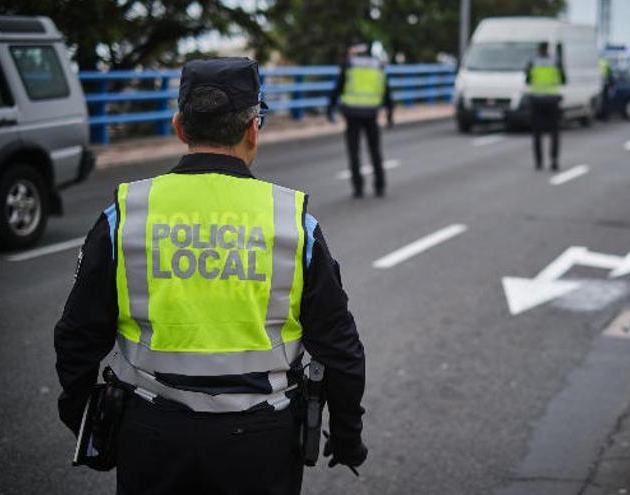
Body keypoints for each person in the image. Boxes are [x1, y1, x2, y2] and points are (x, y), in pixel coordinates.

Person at [54, 57, 367, 495]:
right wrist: (348, 437)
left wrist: (87, 422)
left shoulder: (126, 215)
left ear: (180, 127)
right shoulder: (292, 223)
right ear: (253, 127)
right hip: (261, 442)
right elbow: (341, 349)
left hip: (150, 434)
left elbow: (76, 338)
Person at [329, 42, 394, 198]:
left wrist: (330, 108)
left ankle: (358, 188)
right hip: (371, 113)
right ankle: (380, 185)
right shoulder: (378, 65)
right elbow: (386, 91)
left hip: (352, 113)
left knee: (354, 152)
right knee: (375, 151)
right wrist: (390, 113)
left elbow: (338, 88)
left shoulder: (350, 64)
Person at [525, 42, 566, 171]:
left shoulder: (532, 61)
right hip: (552, 101)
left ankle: (538, 162)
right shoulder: (555, 61)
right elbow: (564, 79)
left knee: (537, 134)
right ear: (547, 49)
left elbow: (527, 79)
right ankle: (554, 160)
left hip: (537, 101)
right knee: (554, 133)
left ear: (539, 49)